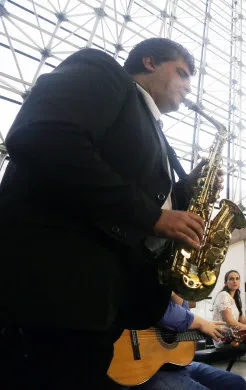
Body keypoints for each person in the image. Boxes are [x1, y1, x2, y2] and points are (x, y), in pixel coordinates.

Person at [0, 38, 219, 388]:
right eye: (181, 72)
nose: (187, 86)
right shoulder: (104, 72)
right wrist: (153, 216)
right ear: (149, 62)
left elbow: (134, 195)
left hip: (96, 309)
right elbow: (43, 137)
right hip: (54, 294)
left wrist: (184, 192)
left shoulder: (154, 130)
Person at [132, 294, 246, 390]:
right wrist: (201, 323)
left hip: (176, 365)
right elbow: (162, 311)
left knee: (238, 383)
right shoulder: (149, 281)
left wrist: (177, 294)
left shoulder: (175, 290)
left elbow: (182, 325)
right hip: (149, 370)